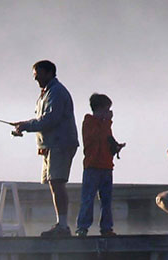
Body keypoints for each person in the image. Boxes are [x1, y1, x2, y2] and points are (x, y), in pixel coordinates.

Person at [11, 60, 79, 237]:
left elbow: (51, 119)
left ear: (49, 73)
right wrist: (24, 127)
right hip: (51, 145)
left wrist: (26, 125)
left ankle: (63, 226)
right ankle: (61, 224)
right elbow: (43, 120)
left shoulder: (56, 92)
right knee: (54, 183)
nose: (36, 79)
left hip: (60, 144)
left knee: (58, 182)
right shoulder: (46, 93)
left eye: (38, 75)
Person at [75, 93, 125, 236]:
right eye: (106, 109)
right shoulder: (89, 121)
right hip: (92, 166)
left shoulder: (105, 124)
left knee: (106, 201)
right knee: (88, 198)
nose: (109, 112)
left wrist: (116, 147)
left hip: (107, 166)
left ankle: (106, 227)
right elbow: (96, 137)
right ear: (99, 108)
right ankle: (82, 227)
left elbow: (107, 139)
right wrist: (107, 122)